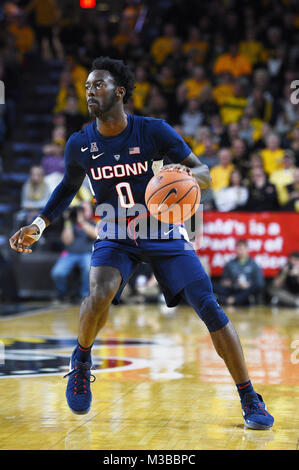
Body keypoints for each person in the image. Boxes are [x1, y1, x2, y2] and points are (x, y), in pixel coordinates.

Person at [9, 57, 273, 430]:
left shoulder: (153, 130)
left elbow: (204, 172)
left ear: (119, 92)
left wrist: (185, 174)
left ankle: (250, 397)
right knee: (99, 291)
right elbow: (67, 188)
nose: (89, 92)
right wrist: (38, 223)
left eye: (97, 85)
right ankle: (81, 362)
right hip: (116, 232)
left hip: (161, 229)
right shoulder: (80, 144)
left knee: (209, 306)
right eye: (86, 87)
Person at [51, 202, 97, 302]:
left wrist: (82, 222)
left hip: (87, 253)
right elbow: (67, 241)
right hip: (70, 254)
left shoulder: (94, 223)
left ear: (91, 211)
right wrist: (67, 220)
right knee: (57, 272)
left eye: (85, 209)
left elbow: (95, 234)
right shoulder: (71, 224)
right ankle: (62, 295)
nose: (82, 212)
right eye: (80, 210)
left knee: (88, 268)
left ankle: (85, 295)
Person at [213, 240, 265, 306]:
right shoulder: (230, 264)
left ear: (247, 249)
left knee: (256, 287)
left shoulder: (254, 265)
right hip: (233, 289)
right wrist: (229, 283)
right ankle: (228, 299)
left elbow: (260, 283)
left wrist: (248, 284)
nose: (240, 251)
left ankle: (232, 300)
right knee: (212, 285)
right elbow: (223, 281)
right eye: (238, 249)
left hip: (246, 291)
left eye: (242, 249)